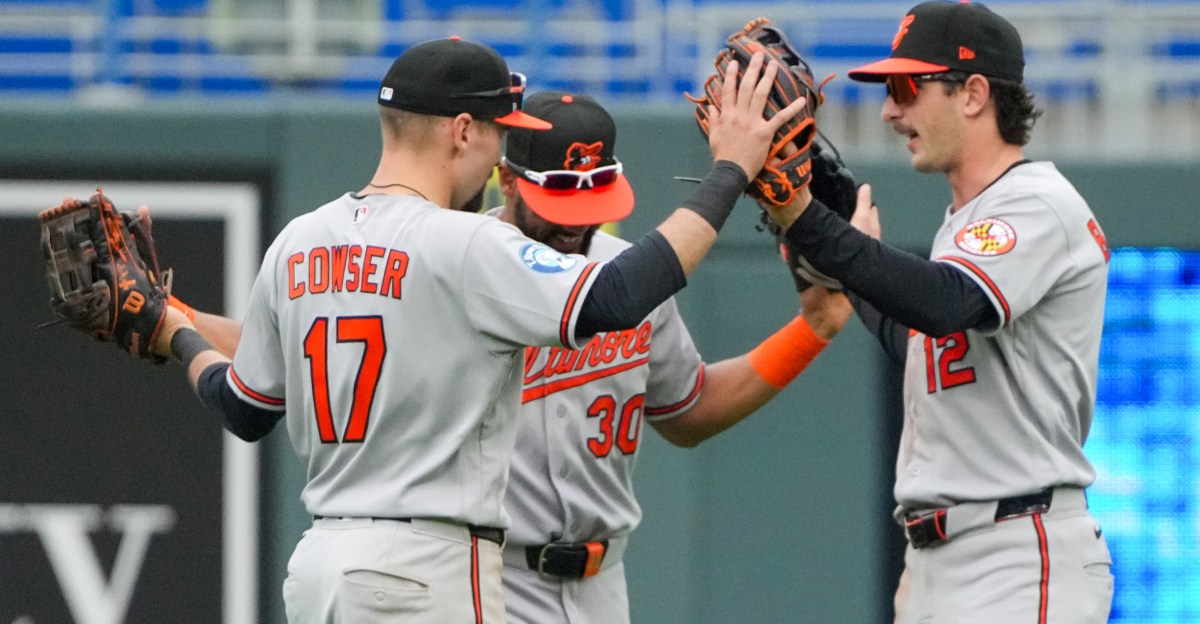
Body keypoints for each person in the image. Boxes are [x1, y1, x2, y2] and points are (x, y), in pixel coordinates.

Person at [145, 37, 808, 623]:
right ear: (464, 132)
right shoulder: (464, 245)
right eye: (498, 132)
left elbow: (245, 407)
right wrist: (730, 170)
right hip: (426, 567)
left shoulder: (300, 240)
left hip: (323, 564)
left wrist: (173, 329)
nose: (496, 153)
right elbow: (618, 296)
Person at [761, 2, 1114, 622]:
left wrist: (811, 223)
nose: (889, 111)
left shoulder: (1036, 202)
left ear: (973, 93)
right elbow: (921, 342)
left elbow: (945, 303)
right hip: (938, 559)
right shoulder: (966, 224)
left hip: (1016, 550)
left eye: (906, 88)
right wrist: (839, 257)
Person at [485, 91, 851, 623]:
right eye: (558, 199)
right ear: (507, 179)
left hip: (601, 585)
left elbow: (688, 410)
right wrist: (730, 172)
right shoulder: (468, 266)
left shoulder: (628, 273)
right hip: (492, 578)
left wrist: (812, 330)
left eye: (590, 201)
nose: (573, 226)